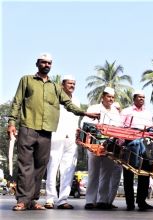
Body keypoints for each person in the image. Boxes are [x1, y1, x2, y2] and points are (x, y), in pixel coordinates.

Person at [7, 53, 99, 211]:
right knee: (25, 165)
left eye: (49, 63)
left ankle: (33, 200)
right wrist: (11, 122)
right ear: (37, 64)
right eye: (43, 62)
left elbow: (68, 104)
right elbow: (17, 101)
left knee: (40, 166)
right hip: (28, 127)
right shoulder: (26, 80)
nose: (46, 65)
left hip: (46, 131)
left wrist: (85, 113)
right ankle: (22, 200)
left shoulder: (55, 87)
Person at [82, 87, 122, 210]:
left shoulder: (115, 111)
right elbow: (85, 124)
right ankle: (90, 200)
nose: (111, 99)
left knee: (107, 173)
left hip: (110, 145)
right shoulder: (93, 108)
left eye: (112, 97)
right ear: (103, 97)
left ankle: (102, 200)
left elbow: (119, 128)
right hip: (95, 144)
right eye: (108, 96)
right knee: (93, 173)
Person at [44, 74, 80, 209]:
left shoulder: (76, 100)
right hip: (56, 136)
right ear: (62, 85)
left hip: (71, 139)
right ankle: (50, 199)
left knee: (68, 169)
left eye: (74, 84)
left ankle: (63, 199)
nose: (72, 86)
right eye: (69, 83)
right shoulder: (55, 99)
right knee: (53, 167)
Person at [120, 90, 153, 211]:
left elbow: (151, 129)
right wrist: (121, 144)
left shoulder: (148, 113)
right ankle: (130, 203)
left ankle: (142, 201)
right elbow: (120, 128)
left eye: (143, 97)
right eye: (139, 97)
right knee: (128, 173)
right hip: (130, 143)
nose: (142, 99)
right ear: (134, 98)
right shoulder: (126, 111)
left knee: (145, 173)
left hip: (145, 143)